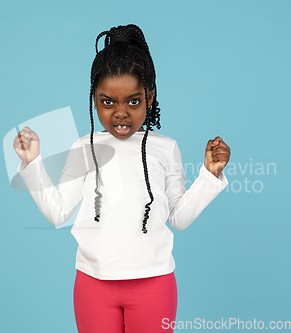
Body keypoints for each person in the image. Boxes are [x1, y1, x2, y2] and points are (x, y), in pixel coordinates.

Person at [13, 24, 231, 333]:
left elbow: (178, 218)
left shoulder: (165, 149)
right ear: (94, 100)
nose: (120, 113)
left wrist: (210, 175)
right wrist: (32, 163)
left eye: (133, 101)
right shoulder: (83, 148)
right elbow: (57, 211)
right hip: (92, 284)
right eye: (107, 102)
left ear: (149, 98)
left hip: (154, 283)